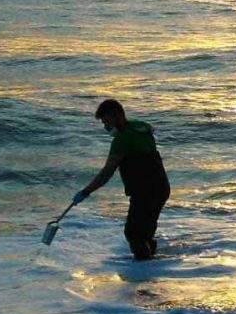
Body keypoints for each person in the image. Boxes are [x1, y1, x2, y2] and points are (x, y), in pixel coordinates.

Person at [73, 99, 170, 260]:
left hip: (145, 192)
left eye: (107, 122)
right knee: (145, 232)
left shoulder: (122, 139)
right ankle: (152, 266)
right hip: (161, 187)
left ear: (117, 116)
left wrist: (85, 192)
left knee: (133, 234)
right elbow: (150, 128)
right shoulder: (140, 127)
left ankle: (143, 268)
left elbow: (107, 172)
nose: (106, 127)